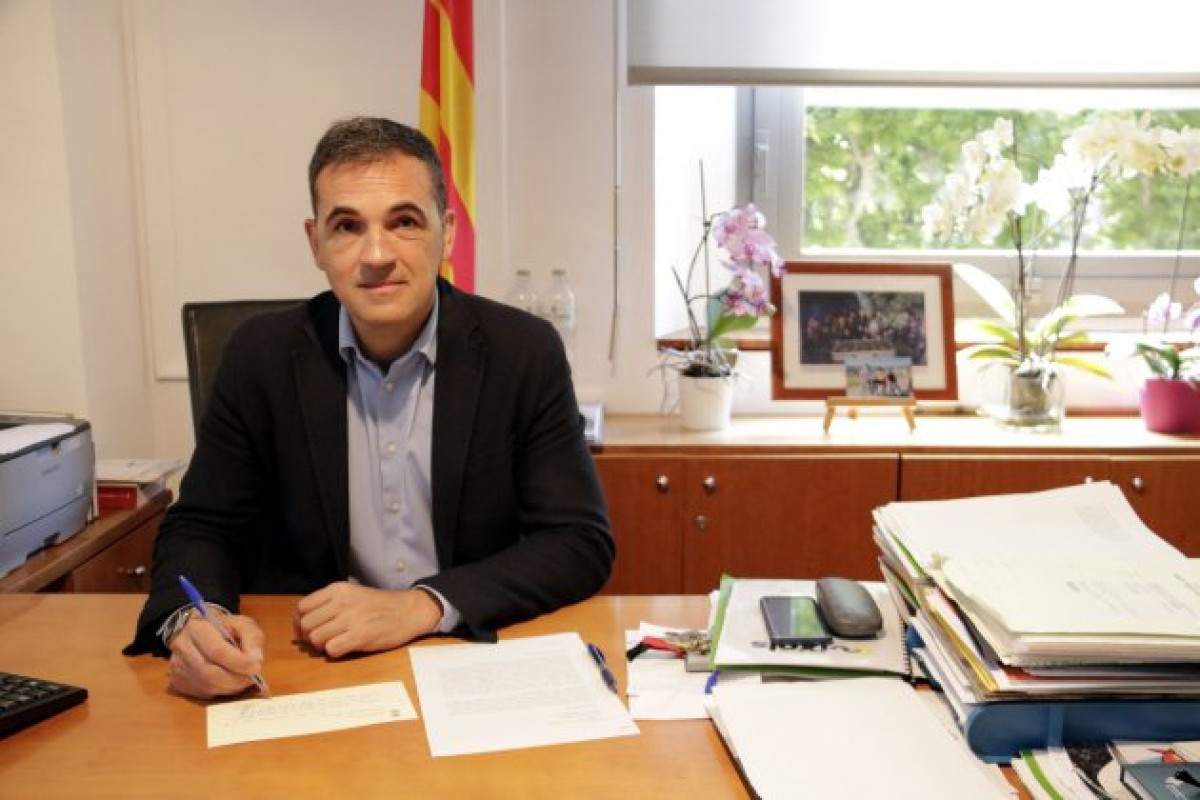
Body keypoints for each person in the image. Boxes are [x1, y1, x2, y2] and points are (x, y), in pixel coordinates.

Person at [125, 117, 614, 699]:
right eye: (348, 226)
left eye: (404, 222)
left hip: (468, 662)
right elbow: (203, 525)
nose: (377, 255)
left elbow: (578, 541)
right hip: (313, 670)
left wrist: (424, 605)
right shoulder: (260, 356)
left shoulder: (522, 352)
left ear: (446, 233)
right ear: (316, 243)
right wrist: (193, 620)